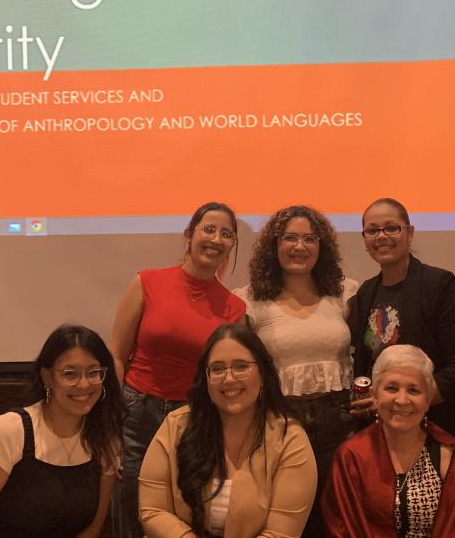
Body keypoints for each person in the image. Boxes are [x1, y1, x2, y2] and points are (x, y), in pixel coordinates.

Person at [107, 202, 248, 537]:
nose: (216, 238)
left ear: (232, 245)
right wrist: (110, 422)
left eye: (226, 234)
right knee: (129, 506)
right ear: (189, 234)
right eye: (208, 229)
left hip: (193, 420)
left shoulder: (235, 308)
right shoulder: (147, 282)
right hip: (135, 413)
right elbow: (115, 353)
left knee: (182, 514)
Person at [233, 205, 357, 537]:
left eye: (309, 238)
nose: (299, 247)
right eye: (289, 238)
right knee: (285, 521)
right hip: (279, 422)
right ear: (274, 246)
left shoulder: (345, 293)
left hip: (339, 420)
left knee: (334, 520)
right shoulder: (249, 301)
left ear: (321, 246)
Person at [139, 324, 318, 538]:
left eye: (241, 366)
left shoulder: (289, 438)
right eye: (217, 369)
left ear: (262, 374)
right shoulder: (176, 425)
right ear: (206, 379)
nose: (229, 378)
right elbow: (152, 510)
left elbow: (280, 533)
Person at [0, 324, 123, 538]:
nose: (84, 384)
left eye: (94, 372)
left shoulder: (105, 438)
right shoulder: (12, 429)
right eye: (70, 374)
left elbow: (93, 528)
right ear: (47, 377)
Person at [347, 197, 455, 465]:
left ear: (409, 233)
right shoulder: (365, 293)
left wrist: (401, 403)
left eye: (391, 228)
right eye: (372, 230)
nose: (381, 237)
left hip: (437, 435)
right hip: (382, 438)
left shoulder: (439, 286)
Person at [322, 344, 455, 537]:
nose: (402, 400)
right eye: (391, 388)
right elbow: (342, 529)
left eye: (414, 390)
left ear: (429, 397)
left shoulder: (454, 457)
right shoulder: (350, 457)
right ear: (375, 394)